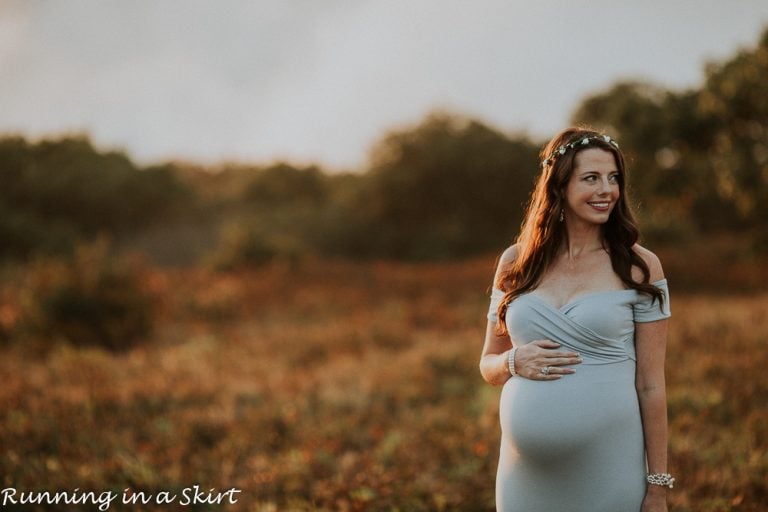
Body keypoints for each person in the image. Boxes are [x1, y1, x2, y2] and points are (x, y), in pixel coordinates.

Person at [479, 127, 673, 512]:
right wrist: (512, 361)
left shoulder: (639, 266)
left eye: (613, 178)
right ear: (559, 186)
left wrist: (658, 487)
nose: (607, 190)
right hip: (524, 476)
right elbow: (488, 363)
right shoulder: (515, 263)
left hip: (608, 467)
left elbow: (651, 386)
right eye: (591, 178)